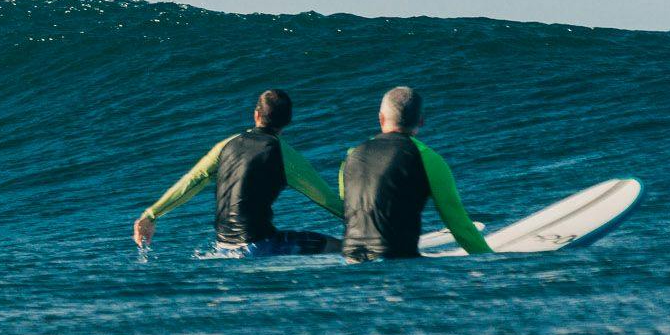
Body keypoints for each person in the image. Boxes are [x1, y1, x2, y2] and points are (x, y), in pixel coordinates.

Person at [133, 88, 345, 254]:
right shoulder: (285, 155)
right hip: (261, 245)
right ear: (288, 121)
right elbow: (325, 200)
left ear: (256, 115)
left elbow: (192, 181)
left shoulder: (226, 145)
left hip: (223, 246)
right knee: (340, 246)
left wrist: (151, 215)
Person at [336, 86, 490, 260]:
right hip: (398, 266)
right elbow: (458, 224)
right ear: (421, 121)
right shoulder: (427, 158)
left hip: (351, 263)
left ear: (381, 118)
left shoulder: (351, 156)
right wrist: (492, 262)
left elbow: (348, 206)